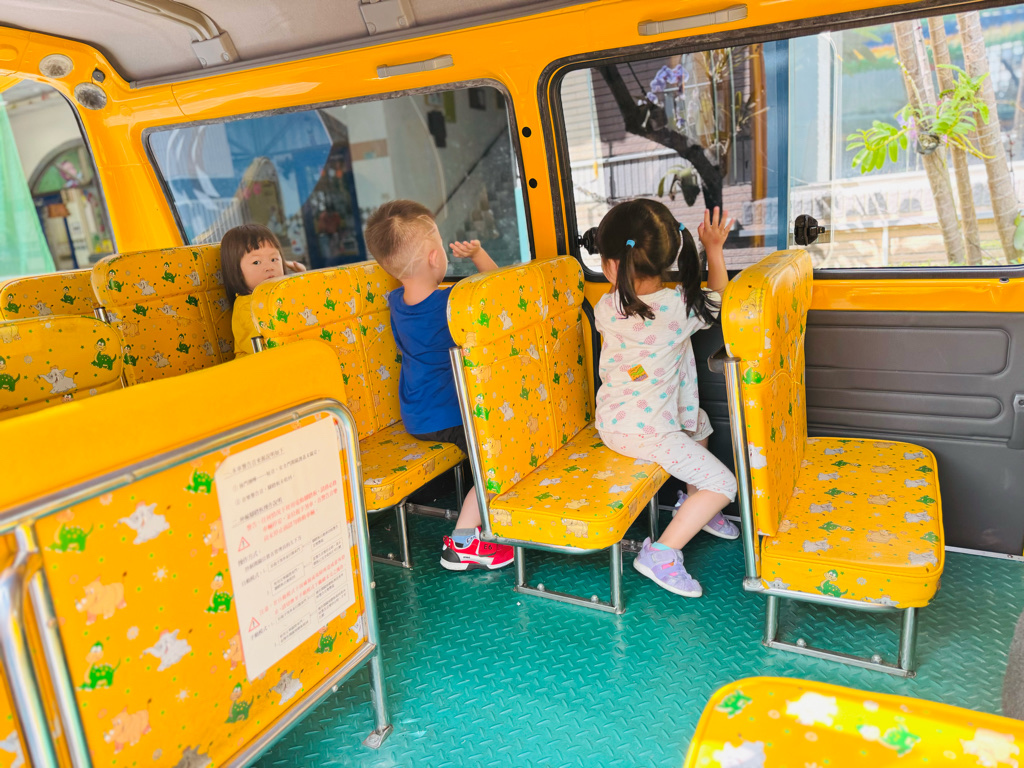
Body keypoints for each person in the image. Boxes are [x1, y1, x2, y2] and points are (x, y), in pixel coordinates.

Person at [594, 200, 739, 598]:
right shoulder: (678, 309)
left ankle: (695, 507)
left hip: (616, 419)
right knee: (724, 484)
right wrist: (713, 249)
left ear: (612, 267)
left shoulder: (605, 307)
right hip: (647, 433)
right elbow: (719, 298)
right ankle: (661, 553)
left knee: (700, 423)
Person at [364, 199, 514, 572]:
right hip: (447, 415)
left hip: (418, 413)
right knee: (496, 461)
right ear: (435, 258)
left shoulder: (396, 302)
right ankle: (463, 541)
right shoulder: (449, 306)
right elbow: (500, 290)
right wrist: (478, 256)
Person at [221, 223, 305, 358]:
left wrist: (300, 280)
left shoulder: (279, 295)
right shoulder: (245, 306)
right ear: (237, 271)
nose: (269, 267)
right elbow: (266, 347)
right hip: (258, 365)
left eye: (274, 259)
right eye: (256, 262)